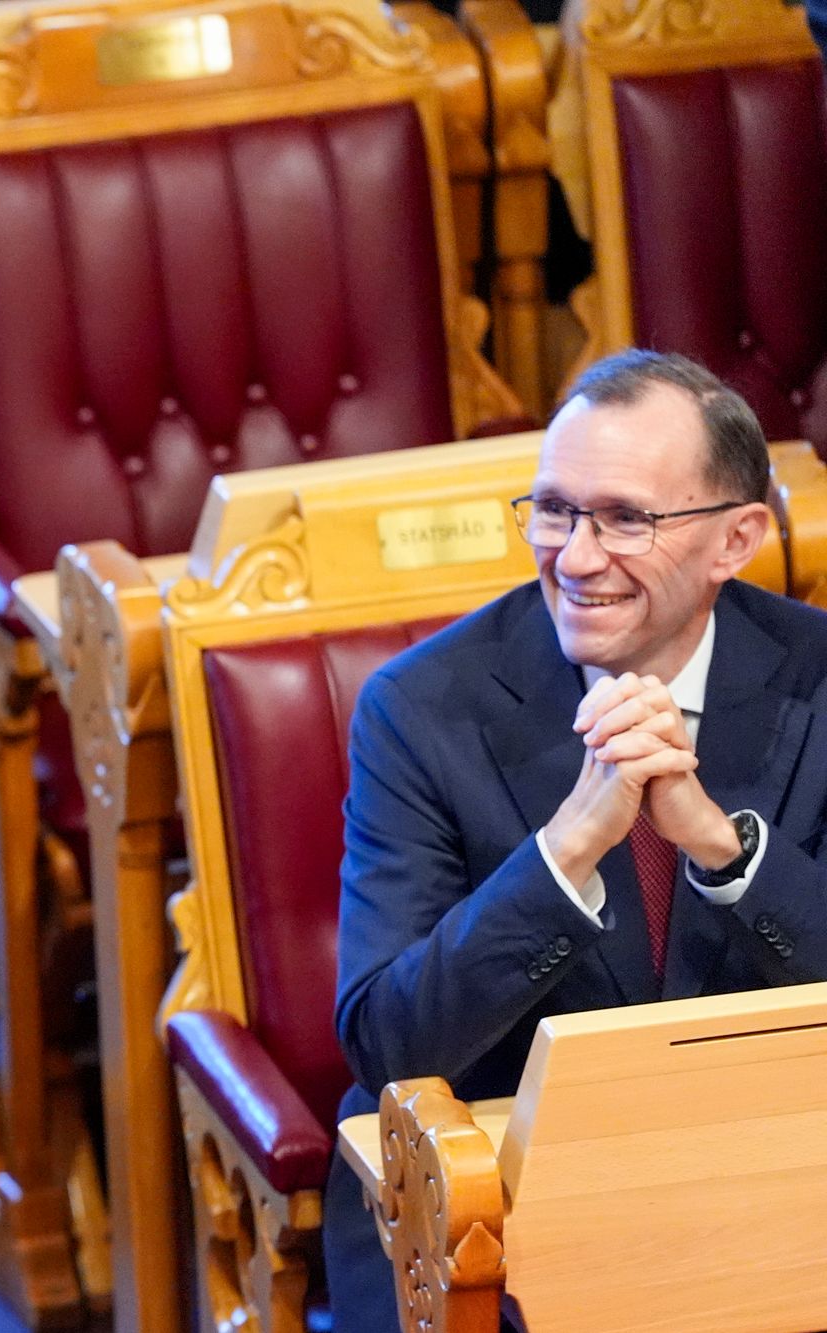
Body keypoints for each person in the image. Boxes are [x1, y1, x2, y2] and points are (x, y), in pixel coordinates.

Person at [325, 350, 827, 1325]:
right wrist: (561, 855)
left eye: (624, 518)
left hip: (772, 1167)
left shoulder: (818, 679)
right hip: (494, 1199)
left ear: (736, 537)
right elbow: (386, 1043)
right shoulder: (420, 707)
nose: (575, 555)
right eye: (552, 510)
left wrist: (724, 852)